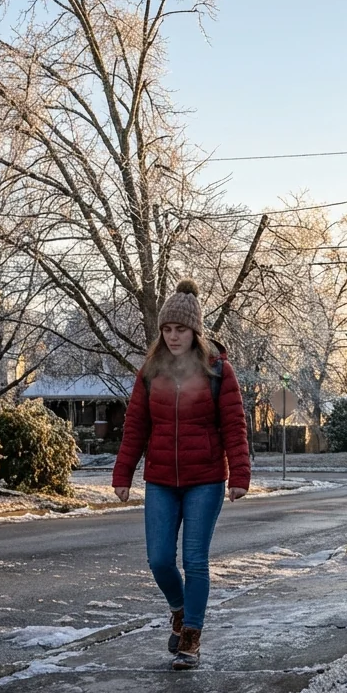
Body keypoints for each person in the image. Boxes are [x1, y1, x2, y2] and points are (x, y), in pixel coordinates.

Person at [113, 279, 250, 670]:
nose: (173, 336)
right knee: (158, 559)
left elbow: (234, 425)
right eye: (167, 329)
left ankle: (191, 635)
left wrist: (238, 474)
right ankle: (179, 609)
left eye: (181, 329)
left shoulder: (217, 370)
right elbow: (135, 425)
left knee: (195, 560)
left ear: (195, 332)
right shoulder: (150, 371)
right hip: (160, 480)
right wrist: (123, 473)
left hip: (204, 479)